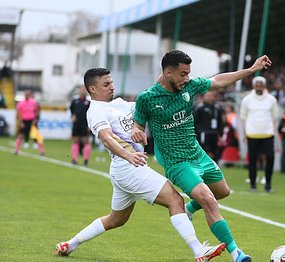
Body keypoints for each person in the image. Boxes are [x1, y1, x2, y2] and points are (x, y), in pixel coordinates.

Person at [55, 68, 226, 262]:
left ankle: (70, 244)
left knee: (116, 219)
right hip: (129, 167)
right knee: (176, 201)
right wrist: (129, 156)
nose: (112, 87)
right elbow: (107, 138)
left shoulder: (119, 104)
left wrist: (167, 73)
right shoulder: (95, 111)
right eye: (106, 84)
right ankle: (198, 251)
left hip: (125, 170)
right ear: (92, 89)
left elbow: (151, 96)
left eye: (111, 82)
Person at [132, 50, 271, 262]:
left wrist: (251, 70)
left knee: (222, 192)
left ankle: (188, 209)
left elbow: (218, 81)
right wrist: (136, 130)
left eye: (189, 73)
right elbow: (138, 124)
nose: (187, 78)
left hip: (198, 155)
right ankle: (237, 253)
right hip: (177, 163)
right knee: (208, 200)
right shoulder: (147, 98)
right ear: (168, 72)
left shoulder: (189, 86)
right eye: (183, 73)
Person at [240, 76, 279, 192]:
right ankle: (253, 185)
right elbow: (243, 117)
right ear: (253, 85)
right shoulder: (247, 99)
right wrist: (244, 133)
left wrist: (273, 130)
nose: (259, 87)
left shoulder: (271, 99)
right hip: (252, 134)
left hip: (267, 134)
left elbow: (275, 116)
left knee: (270, 158)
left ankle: (268, 183)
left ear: (264, 85)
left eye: (261, 84)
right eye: (257, 84)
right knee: (252, 160)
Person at [194, 91, 225, 162]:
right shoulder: (200, 108)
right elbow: (195, 122)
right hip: (203, 133)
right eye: (208, 96)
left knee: (215, 152)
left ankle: (215, 169)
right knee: (203, 151)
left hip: (214, 133)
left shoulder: (217, 109)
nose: (210, 98)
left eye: (211, 96)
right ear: (203, 97)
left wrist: (220, 134)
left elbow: (220, 122)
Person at [14, 89, 44, 155]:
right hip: (24, 121)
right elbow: (18, 113)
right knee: (20, 135)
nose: (27, 95)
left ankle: (42, 151)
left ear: (30, 95)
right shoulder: (21, 103)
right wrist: (20, 122)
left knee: (37, 136)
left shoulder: (34, 102)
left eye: (28, 94)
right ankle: (16, 150)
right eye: (26, 94)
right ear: (24, 95)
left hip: (32, 121)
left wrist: (35, 119)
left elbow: (37, 111)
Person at [69, 86, 91, 166]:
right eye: (82, 89)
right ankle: (74, 159)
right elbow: (71, 110)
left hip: (85, 124)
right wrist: (72, 116)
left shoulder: (88, 102)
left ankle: (86, 159)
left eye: (84, 90)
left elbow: (91, 114)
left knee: (85, 141)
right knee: (75, 141)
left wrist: (89, 125)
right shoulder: (75, 101)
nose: (83, 91)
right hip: (76, 124)